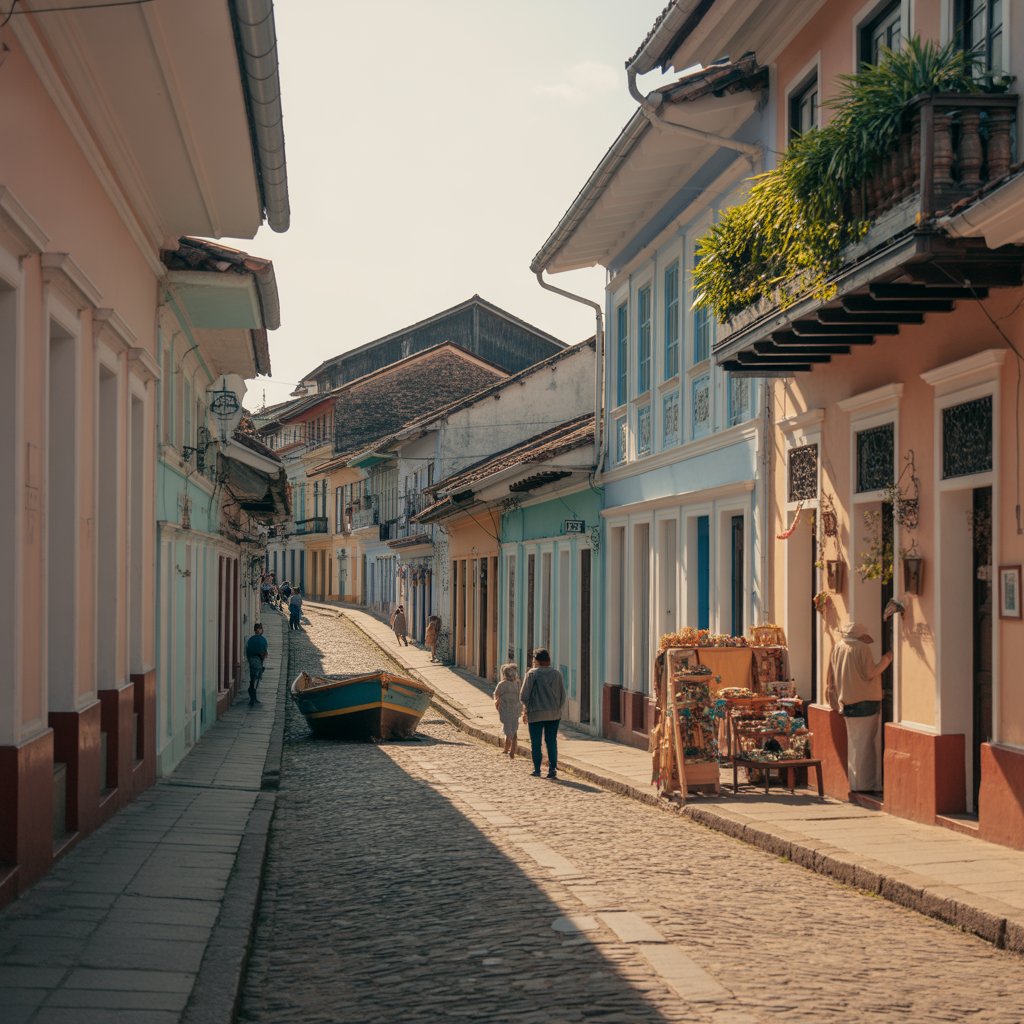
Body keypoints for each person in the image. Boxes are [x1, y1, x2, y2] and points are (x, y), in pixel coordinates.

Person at [828, 620, 892, 793]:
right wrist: (887, 659)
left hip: (847, 702)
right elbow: (870, 672)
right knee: (866, 746)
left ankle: (855, 783)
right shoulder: (861, 649)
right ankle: (865, 785)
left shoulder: (839, 647)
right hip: (866, 702)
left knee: (855, 744)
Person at [519, 648, 566, 780]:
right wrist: (556, 708)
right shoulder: (557, 674)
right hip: (553, 714)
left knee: (536, 742)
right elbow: (563, 696)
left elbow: (523, 696)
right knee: (551, 741)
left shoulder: (532, 674)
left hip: (536, 714)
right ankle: (552, 770)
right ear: (548, 660)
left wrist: (527, 708)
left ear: (536, 661)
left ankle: (537, 769)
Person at [493, 663, 522, 760]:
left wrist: (497, 702)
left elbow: (496, 695)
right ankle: (512, 751)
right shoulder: (517, 683)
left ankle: (506, 749)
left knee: (507, 730)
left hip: (505, 710)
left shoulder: (502, 684)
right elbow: (520, 695)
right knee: (514, 730)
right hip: (516, 709)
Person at [246, 622, 268, 706]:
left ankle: (253, 697)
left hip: (252, 661)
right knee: (256, 680)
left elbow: (247, 651)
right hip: (258, 662)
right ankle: (252, 697)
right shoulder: (262, 640)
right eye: (259, 629)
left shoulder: (250, 639)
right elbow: (264, 653)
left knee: (253, 679)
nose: (259, 630)